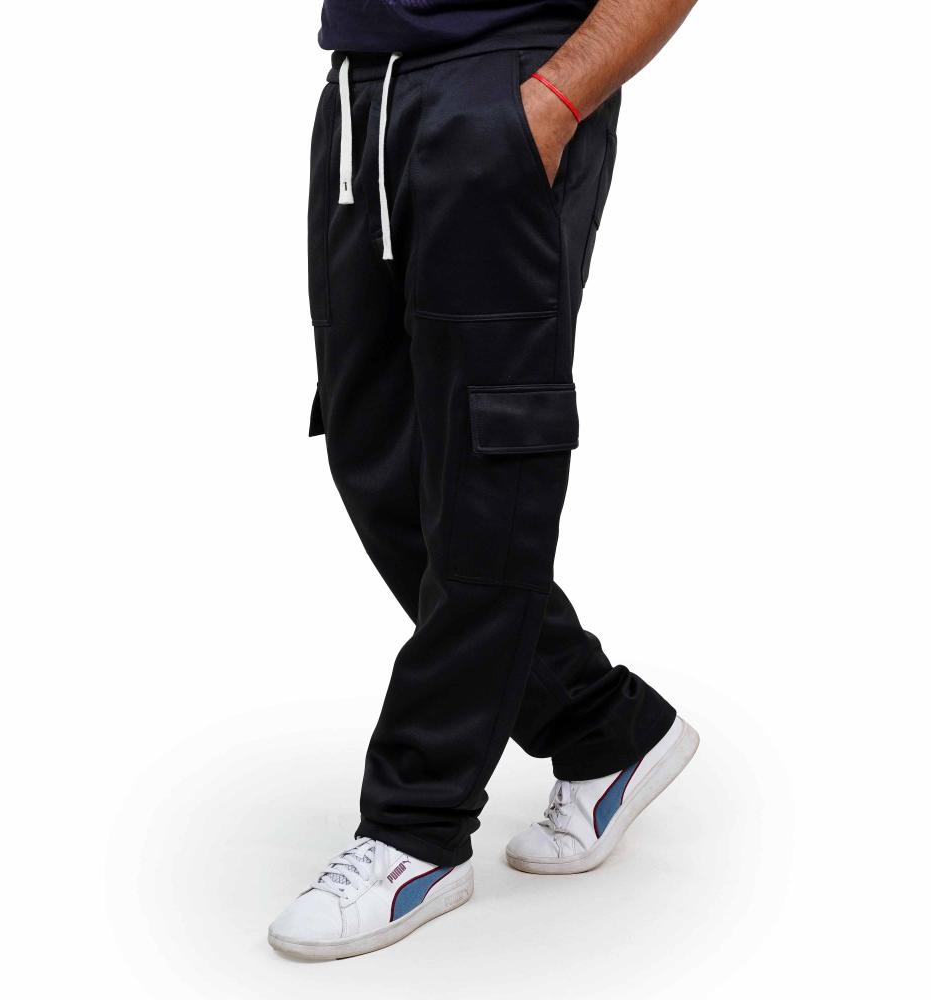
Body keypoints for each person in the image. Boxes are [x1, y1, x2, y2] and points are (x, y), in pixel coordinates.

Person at [270, 0, 701, 960]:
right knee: (375, 451)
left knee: (486, 462)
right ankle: (604, 727)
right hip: (362, 95)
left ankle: (416, 829)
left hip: (504, 84)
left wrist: (549, 105)